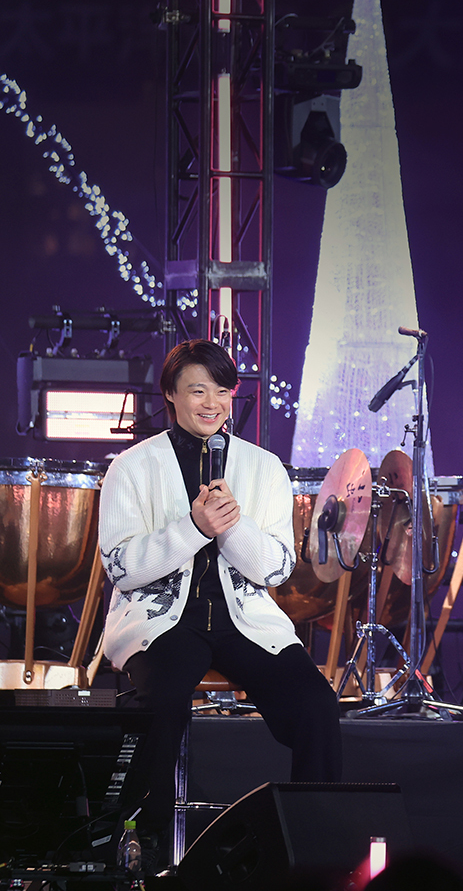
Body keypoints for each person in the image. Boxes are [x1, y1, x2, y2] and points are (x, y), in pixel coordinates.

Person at [100, 339, 342, 864]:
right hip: (163, 621)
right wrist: (193, 528)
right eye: (197, 391)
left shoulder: (265, 467)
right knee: (161, 704)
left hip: (244, 620)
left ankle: (312, 849)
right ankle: (143, 844)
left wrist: (231, 528)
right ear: (171, 395)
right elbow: (119, 567)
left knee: (318, 707)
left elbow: (276, 570)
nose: (211, 403)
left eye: (222, 391)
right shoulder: (132, 466)